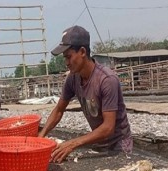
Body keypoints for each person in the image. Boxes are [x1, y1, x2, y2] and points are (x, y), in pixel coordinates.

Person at [39, 25, 133, 163]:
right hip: (98, 143)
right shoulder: (73, 78)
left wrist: (72, 144)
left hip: (119, 145)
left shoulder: (106, 80)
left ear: (82, 52)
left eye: (69, 57)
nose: (66, 63)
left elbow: (108, 127)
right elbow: (59, 110)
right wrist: (41, 137)